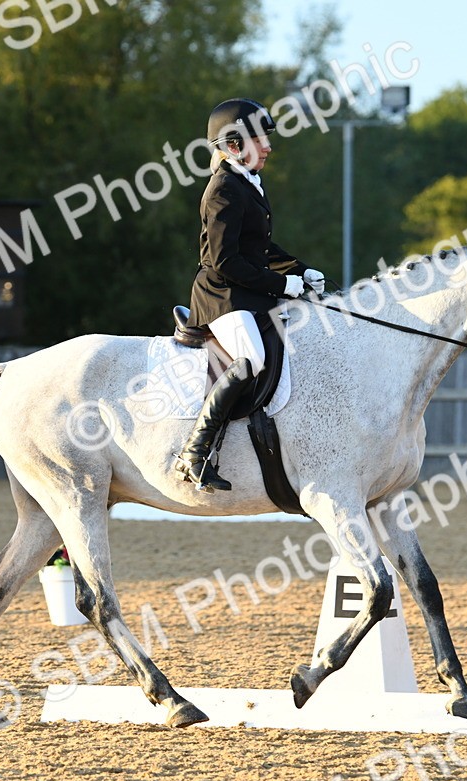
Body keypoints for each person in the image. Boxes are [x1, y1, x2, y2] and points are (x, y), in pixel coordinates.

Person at [174, 98, 325, 492]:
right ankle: (195, 452)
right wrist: (281, 285)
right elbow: (225, 261)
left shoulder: (247, 183)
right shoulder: (223, 189)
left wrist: (299, 270)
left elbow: (259, 250)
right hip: (222, 296)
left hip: (246, 293)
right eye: (261, 139)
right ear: (236, 145)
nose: (270, 146)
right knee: (252, 358)